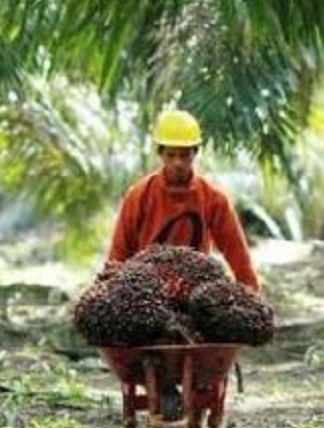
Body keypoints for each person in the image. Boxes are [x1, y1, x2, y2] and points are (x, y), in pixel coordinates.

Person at [105, 109, 260, 292]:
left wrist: (252, 294)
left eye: (184, 155)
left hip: (195, 292)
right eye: (171, 155)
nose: (178, 162)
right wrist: (108, 290)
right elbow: (119, 251)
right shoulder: (139, 195)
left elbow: (237, 252)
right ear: (161, 154)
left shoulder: (213, 198)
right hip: (147, 293)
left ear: (195, 153)